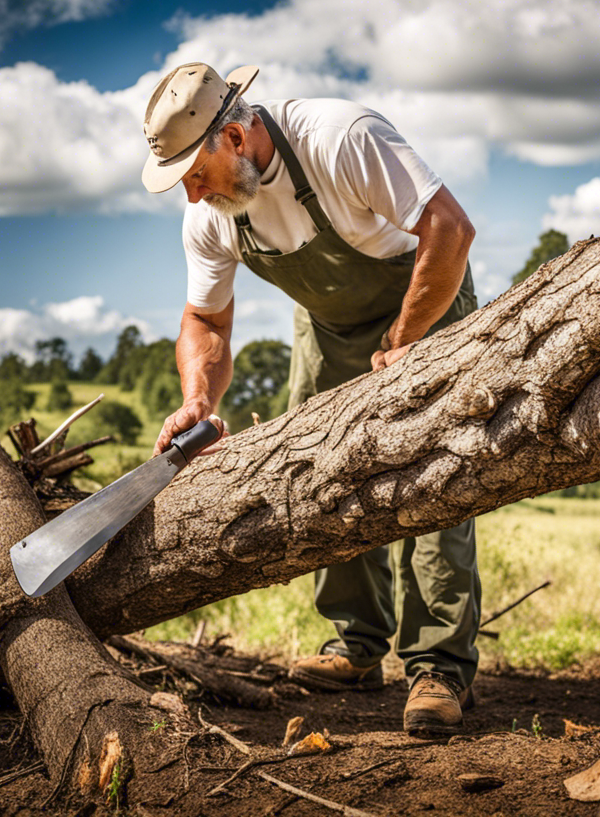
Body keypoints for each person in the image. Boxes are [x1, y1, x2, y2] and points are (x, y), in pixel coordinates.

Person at [143, 62, 480, 737]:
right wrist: (197, 398)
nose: (191, 196)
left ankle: (437, 668)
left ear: (235, 138)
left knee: (430, 481)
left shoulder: (341, 136)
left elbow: (449, 229)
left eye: (195, 176)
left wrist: (406, 337)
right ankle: (356, 647)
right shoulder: (211, 218)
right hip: (327, 329)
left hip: (425, 301)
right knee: (326, 476)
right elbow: (205, 322)